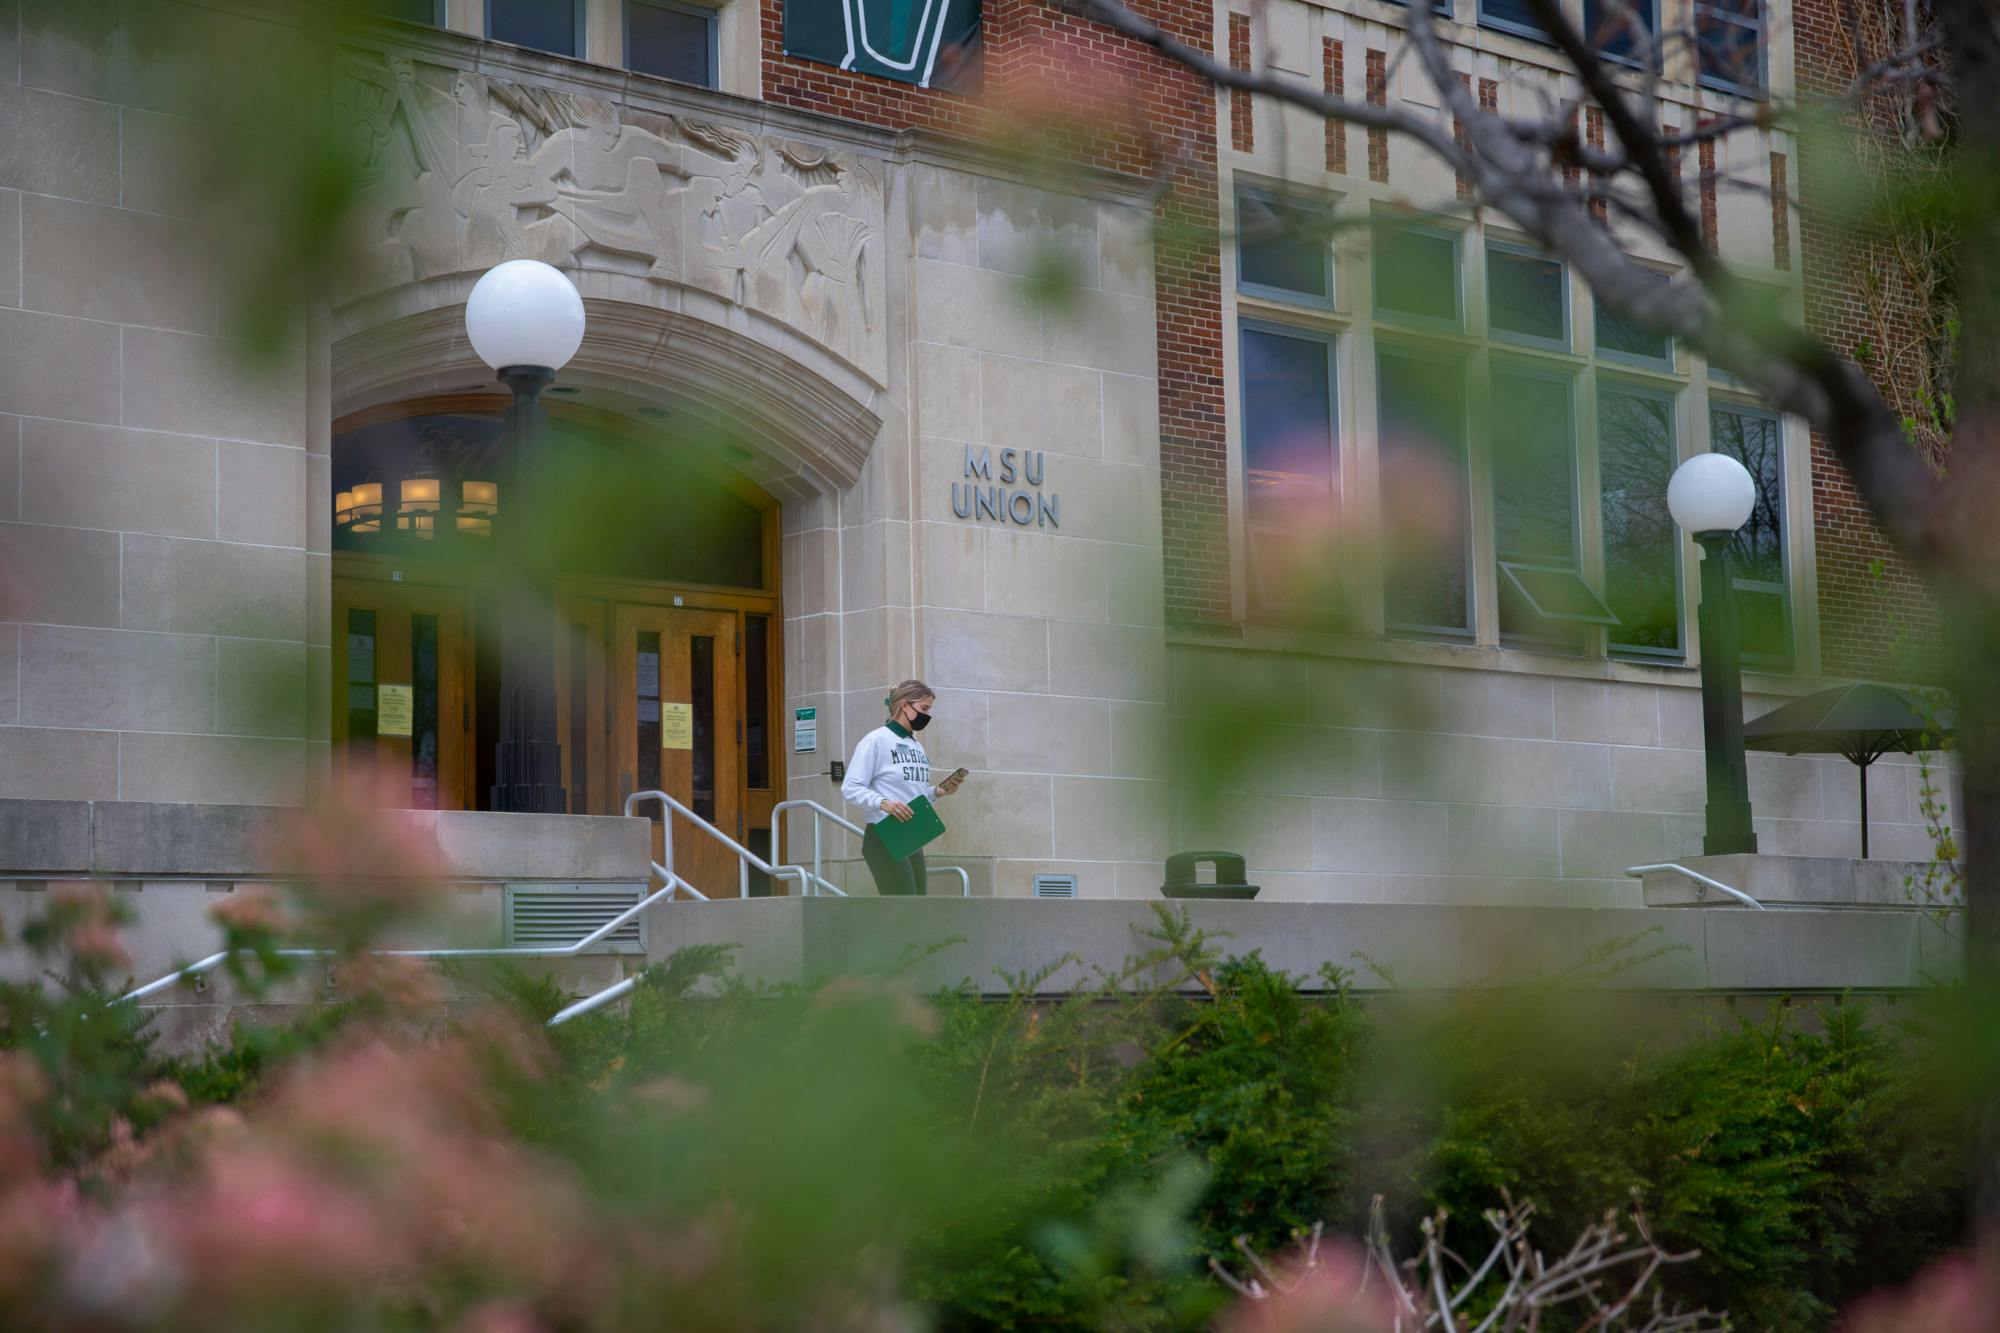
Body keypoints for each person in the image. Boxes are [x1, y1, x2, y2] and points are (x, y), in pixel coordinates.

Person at [841, 679, 965, 896]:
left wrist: (937, 792)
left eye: (929, 709)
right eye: (924, 708)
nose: (928, 715)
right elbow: (850, 787)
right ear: (904, 705)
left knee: (916, 908)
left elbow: (911, 795)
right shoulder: (875, 740)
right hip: (884, 834)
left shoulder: (917, 745)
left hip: (911, 835)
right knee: (902, 909)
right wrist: (883, 803)